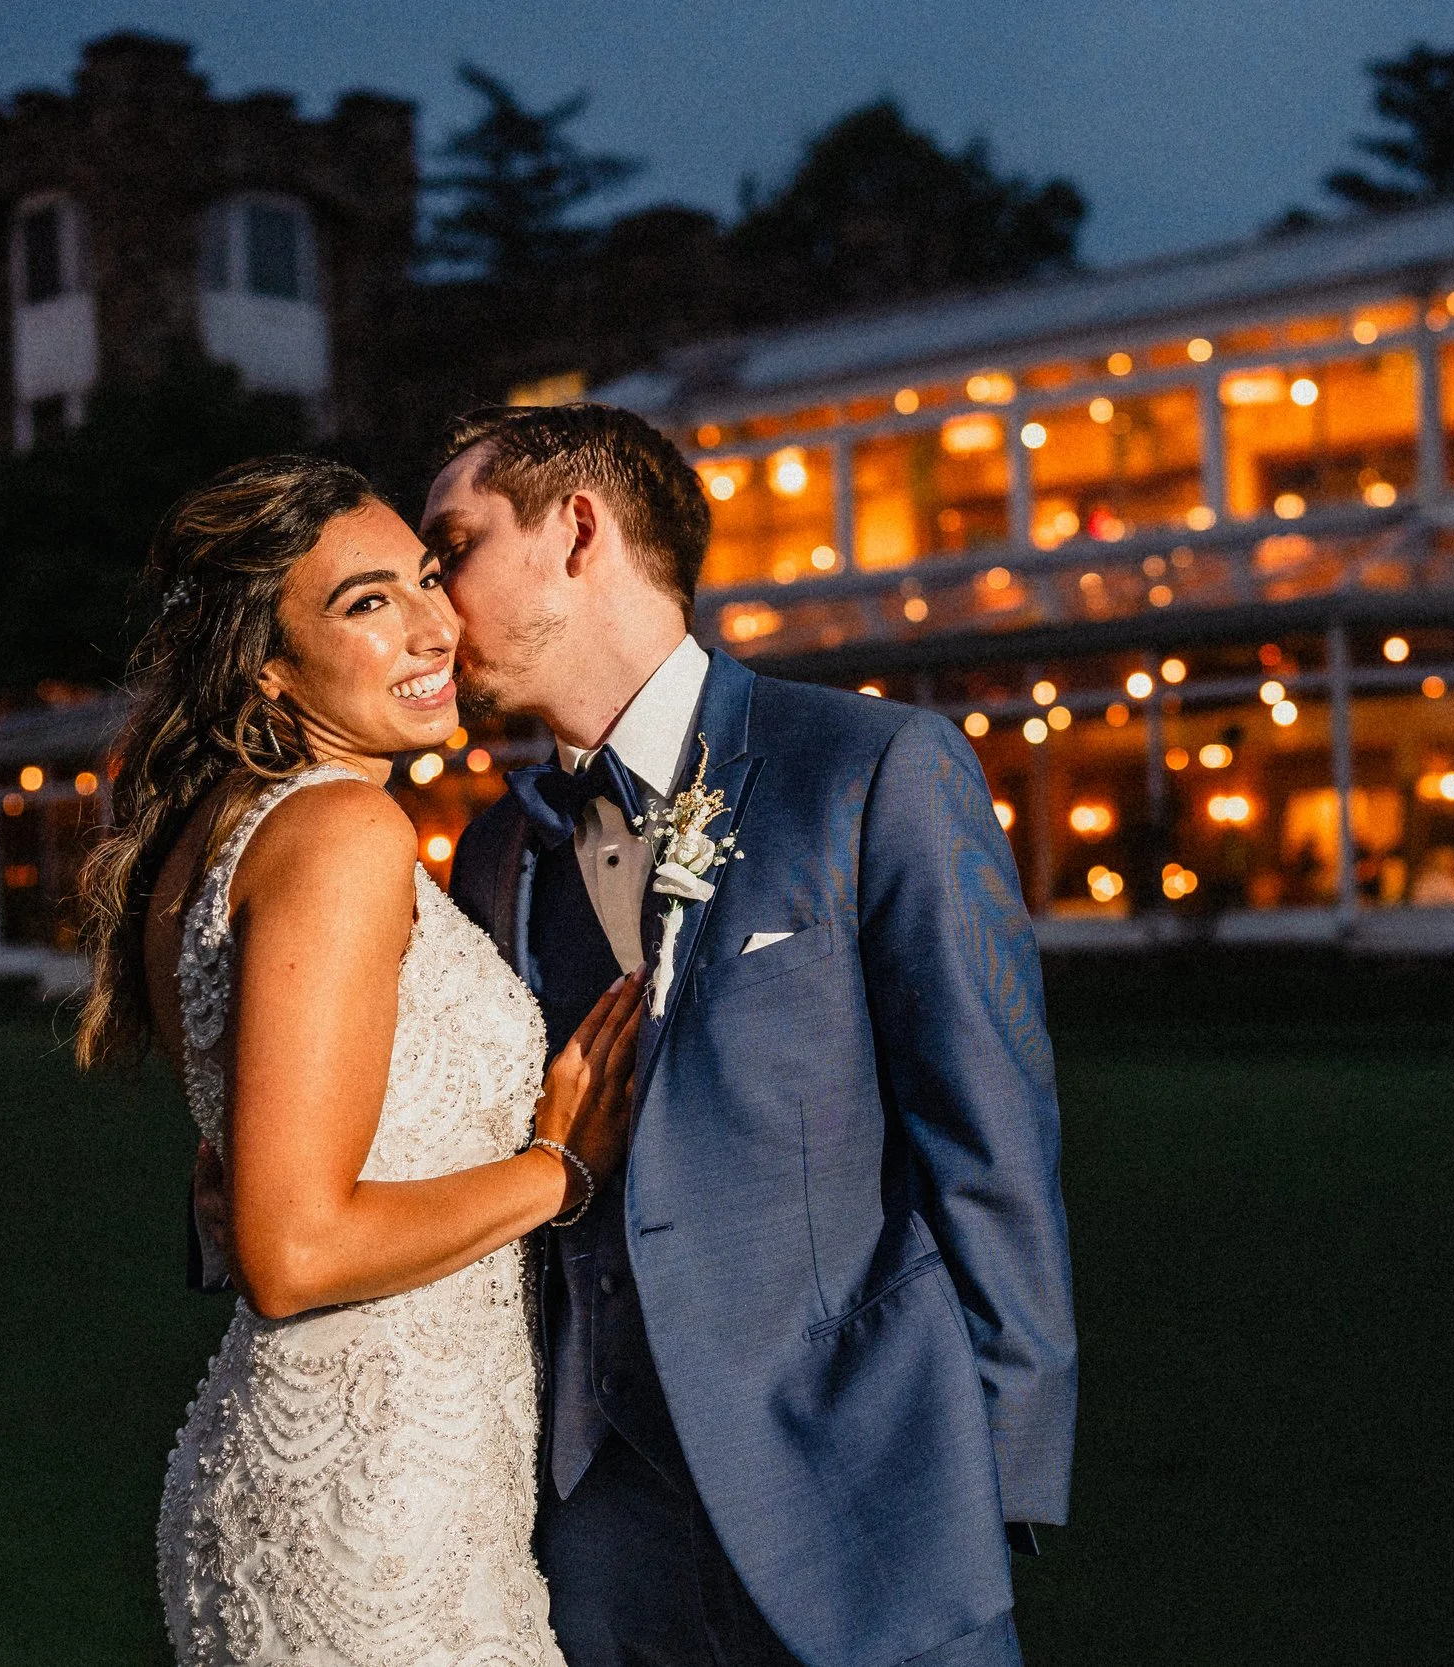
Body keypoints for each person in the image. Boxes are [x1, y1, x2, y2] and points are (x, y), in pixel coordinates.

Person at [425, 403, 1076, 1667]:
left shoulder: (871, 767)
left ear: (575, 530)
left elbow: (990, 1138)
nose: (434, 600)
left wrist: (995, 1475)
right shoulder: (497, 847)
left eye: (454, 546)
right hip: (596, 1534)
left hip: (867, 1495)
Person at [73, 455, 642, 1666]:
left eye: (427, 579)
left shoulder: (226, 825)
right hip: (377, 1496)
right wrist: (561, 1168)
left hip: (366, 1455)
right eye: (367, 601)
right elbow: (290, 1251)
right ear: (268, 667)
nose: (435, 622)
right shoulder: (340, 828)